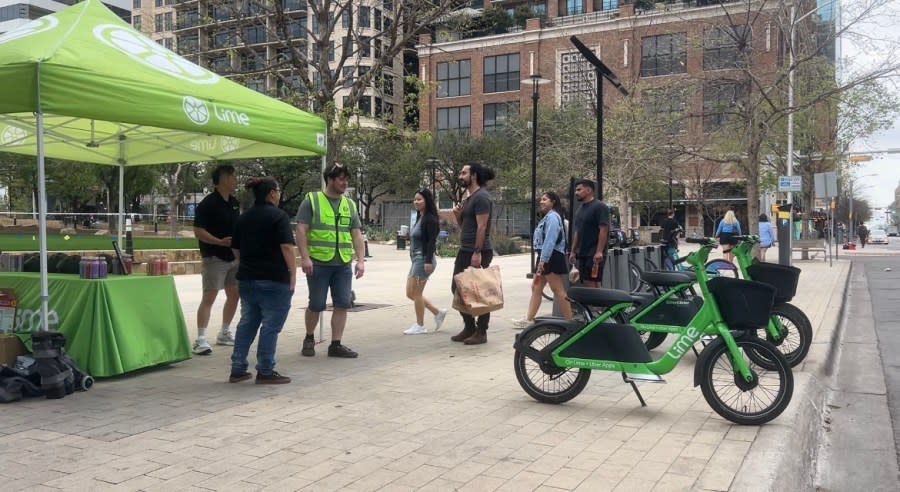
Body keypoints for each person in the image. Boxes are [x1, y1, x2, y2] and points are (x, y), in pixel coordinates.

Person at [228, 177, 295, 385]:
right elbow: (286, 247)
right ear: (271, 193)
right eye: (277, 191)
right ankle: (265, 369)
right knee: (271, 325)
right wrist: (293, 273)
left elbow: (235, 248)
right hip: (274, 279)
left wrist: (248, 263)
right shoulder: (279, 216)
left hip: (247, 278)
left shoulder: (243, 217)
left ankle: (238, 368)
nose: (279, 195)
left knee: (247, 322)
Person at [295, 163, 366, 358]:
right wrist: (305, 258)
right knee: (316, 304)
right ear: (330, 179)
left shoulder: (349, 204)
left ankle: (336, 344)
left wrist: (360, 260)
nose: (345, 183)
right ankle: (309, 338)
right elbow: (300, 230)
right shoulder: (312, 200)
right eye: (341, 179)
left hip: (342, 263)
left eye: (346, 179)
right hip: (318, 262)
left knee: (343, 303)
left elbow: (356, 234)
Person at [192, 164, 240, 355]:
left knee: (234, 295)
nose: (236, 180)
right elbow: (198, 230)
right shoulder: (208, 203)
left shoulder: (234, 202)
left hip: (233, 257)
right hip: (214, 257)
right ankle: (201, 339)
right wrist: (219, 242)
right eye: (233, 176)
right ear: (223, 178)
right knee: (209, 297)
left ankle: (225, 332)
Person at [450, 162, 495, 345]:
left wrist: (477, 252)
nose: (460, 176)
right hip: (466, 249)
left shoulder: (482, 197)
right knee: (457, 289)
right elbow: (466, 227)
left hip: (478, 250)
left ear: (474, 175)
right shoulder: (469, 199)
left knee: (480, 291)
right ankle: (470, 327)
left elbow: (482, 226)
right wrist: (458, 216)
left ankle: (481, 331)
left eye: (463, 173)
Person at [513, 191, 573, 329]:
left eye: (545, 199)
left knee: (557, 289)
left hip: (550, 256)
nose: (541, 202)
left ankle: (570, 321)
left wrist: (543, 260)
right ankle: (529, 319)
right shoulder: (549, 217)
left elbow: (550, 240)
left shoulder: (552, 217)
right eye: (541, 199)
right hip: (546, 256)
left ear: (553, 202)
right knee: (536, 287)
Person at [403, 188, 448, 335]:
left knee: (416, 293)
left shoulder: (430, 219)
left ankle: (420, 325)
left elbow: (431, 242)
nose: (416, 202)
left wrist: (428, 260)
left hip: (423, 259)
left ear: (427, 201)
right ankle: (437, 313)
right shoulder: (419, 216)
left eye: (419, 199)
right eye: (415, 199)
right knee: (410, 293)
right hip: (416, 258)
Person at [568, 179, 610, 287]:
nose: (576, 192)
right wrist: (573, 251)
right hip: (582, 252)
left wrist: (599, 251)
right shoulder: (579, 210)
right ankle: (597, 303)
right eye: (575, 190)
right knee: (587, 281)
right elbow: (578, 231)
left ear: (588, 190)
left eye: (579, 189)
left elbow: (603, 229)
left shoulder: (600, 207)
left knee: (592, 281)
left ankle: (595, 304)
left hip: (594, 252)